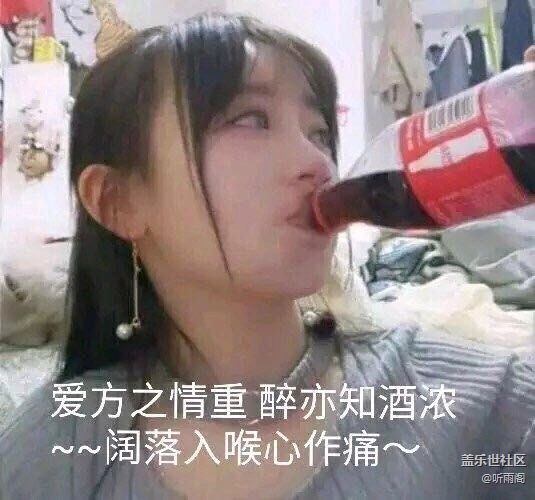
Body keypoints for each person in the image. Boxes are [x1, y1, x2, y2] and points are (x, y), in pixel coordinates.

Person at [0, 13, 534, 500]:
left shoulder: (473, 414)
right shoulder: (60, 451)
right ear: (119, 202)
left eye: (319, 132)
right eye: (251, 119)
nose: (318, 163)